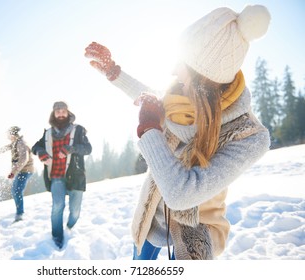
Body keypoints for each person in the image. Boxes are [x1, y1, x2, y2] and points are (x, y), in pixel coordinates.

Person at [85, 5, 271, 259]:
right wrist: (113, 72)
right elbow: (147, 95)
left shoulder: (247, 135)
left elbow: (181, 195)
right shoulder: (178, 99)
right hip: (152, 216)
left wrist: (149, 130)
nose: (173, 70)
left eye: (181, 63)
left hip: (196, 232)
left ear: (203, 74)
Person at [32, 101, 92, 249]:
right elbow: (35, 147)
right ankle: (57, 237)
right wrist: (40, 153)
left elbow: (88, 149)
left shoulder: (78, 130)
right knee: (57, 205)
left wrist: (71, 149)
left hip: (76, 175)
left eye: (63, 110)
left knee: (75, 211)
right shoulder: (48, 133)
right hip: (56, 175)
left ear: (68, 112)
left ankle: (70, 227)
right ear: (53, 113)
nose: (60, 113)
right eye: (57, 110)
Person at [0, 126, 34, 222]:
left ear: (13, 134)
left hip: (25, 171)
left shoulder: (21, 144)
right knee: (15, 191)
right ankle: (19, 212)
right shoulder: (15, 143)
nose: (7, 136)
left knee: (16, 191)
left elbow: (24, 159)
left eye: (8, 134)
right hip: (21, 171)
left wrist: (14, 171)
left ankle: (20, 214)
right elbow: (5, 148)